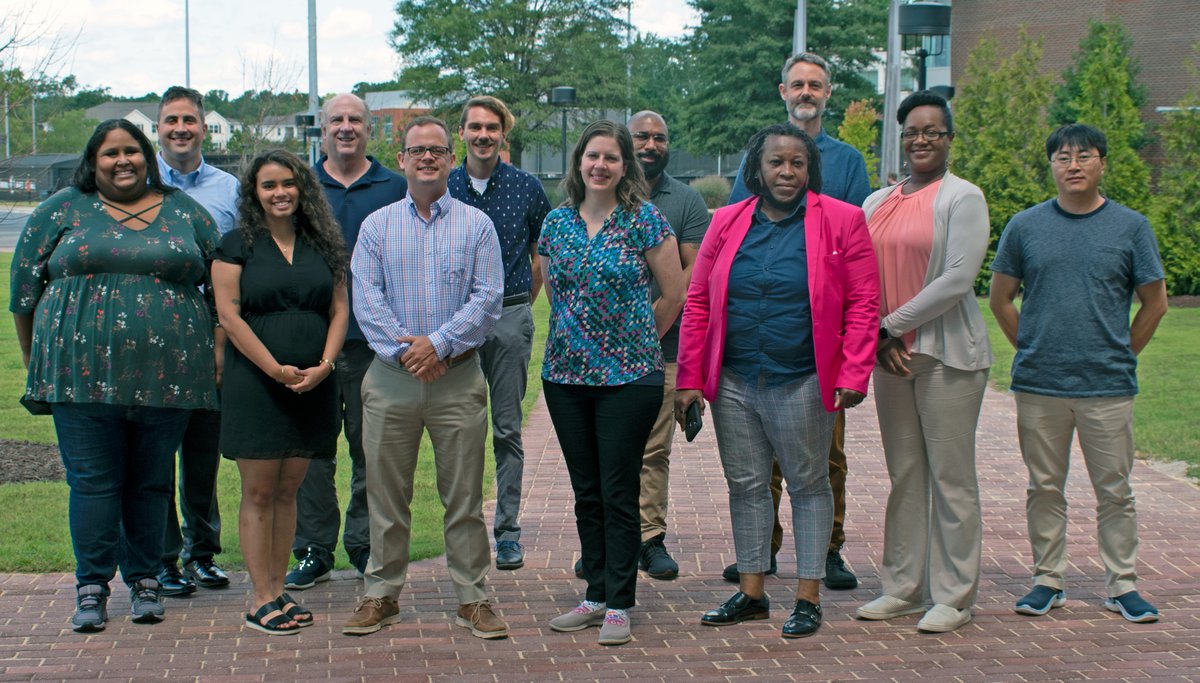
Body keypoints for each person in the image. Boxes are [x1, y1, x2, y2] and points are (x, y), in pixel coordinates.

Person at [10, 119, 219, 632]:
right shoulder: (61, 210)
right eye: (110, 153)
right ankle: (92, 589)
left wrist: (215, 352)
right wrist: (38, 359)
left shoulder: (185, 213)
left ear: (148, 157)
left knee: (151, 484)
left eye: (132, 151)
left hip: (169, 380)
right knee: (94, 485)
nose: (122, 161)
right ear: (93, 160)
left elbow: (223, 291)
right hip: (80, 380)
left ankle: (146, 580)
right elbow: (23, 292)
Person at [677, 123, 879, 639]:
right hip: (737, 379)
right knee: (746, 486)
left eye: (797, 163)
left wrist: (855, 371)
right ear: (756, 170)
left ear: (810, 168)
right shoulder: (725, 222)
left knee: (809, 485)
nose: (786, 172)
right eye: (776, 163)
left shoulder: (843, 220)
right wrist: (689, 378)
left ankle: (808, 597)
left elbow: (863, 303)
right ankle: (751, 592)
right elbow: (698, 300)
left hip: (804, 378)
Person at [990, 123, 1168, 624]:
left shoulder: (1131, 227)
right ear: (1051, 166)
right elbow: (1001, 297)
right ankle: (1048, 579)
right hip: (1040, 384)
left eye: (1084, 156)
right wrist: (1028, 345)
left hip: (1107, 385)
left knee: (1115, 489)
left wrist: (1122, 352)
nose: (1073, 165)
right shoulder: (1025, 226)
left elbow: (1155, 304)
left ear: (1101, 164)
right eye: (1063, 157)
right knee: (1044, 486)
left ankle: (1123, 585)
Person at [343, 116, 508, 640]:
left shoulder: (477, 226)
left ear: (451, 159)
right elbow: (366, 300)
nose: (428, 159)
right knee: (385, 493)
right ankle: (381, 594)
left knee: (462, 495)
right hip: (390, 378)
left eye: (437, 150)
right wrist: (411, 352)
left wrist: (437, 345)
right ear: (403, 160)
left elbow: (489, 297)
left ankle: (473, 597)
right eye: (418, 151)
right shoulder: (376, 227)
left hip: (457, 377)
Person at [725, 52, 871, 588]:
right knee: (757, 460)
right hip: (760, 330)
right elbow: (741, 228)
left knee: (825, 456)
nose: (806, 93)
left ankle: (828, 550)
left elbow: (853, 236)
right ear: (782, 90)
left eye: (816, 85)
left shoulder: (848, 160)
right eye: (797, 85)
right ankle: (759, 551)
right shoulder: (759, 153)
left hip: (818, 338)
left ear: (828, 93)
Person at [540, 120, 684, 646]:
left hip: (630, 377)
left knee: (619, 488)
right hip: (565, 376)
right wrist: (582, 337)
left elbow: (673, 294)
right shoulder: (556, 224)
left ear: (626, 166)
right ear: (579, 162)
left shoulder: (644, 220)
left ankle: (621, 603)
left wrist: (634, 340)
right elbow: (556, 294)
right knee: (587, 491)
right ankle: (595, 594)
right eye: (592, 156)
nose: (600, 165)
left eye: (611, 158)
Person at [853, 91, 992, 634]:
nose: (921, 139)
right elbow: (859, 280)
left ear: (949, 139)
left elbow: (956, 280)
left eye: (933, 130)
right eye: (912, 129)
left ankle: (955, 596)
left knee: (951, 478)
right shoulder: (875, 202)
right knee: (905, 475)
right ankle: (905, 588)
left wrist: (889, 326)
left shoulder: (964, 198)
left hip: (946, 357)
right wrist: (878, 336)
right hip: (890, 360)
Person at [211, 149, 348, 635]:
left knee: (289, 490)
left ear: (303, 188)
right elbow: (228, 315)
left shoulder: (324, 245)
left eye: (288, 183)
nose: (280, 192)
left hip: (313, 384)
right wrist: (274, 369)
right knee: (260, 490)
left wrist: (325, 366)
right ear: (254, 194)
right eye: (268, 185)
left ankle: (278, 590)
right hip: (258, 383)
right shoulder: (236, 245)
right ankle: (259, 597)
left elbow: (338, 310)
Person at [287, 94, 408, 589]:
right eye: (336, 119)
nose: (346, 127)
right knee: (313, 450)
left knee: (369, 449)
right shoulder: (298, 186)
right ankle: (314, 548)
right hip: (309, 342)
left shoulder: (395, 187)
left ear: (367, 129)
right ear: (322, 128)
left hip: (371, 342)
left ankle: (363, 545)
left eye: (355, 119)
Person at [448, 95, 552, 571]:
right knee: (459, 428)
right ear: (462, 133)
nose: (483, 135)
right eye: (475, 127)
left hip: (509, 315)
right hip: (453, 323)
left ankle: (507, 531)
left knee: (507, 428)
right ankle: (463, 528)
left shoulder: (527, 188)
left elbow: (541, 254)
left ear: (503, 134)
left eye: (492, 127)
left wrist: (520, 307)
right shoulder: (444, 187)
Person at [155, 85, 239, 596]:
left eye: (189, 120)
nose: (181, 129)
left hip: (213, 332)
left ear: (204, 128)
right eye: (171, 121)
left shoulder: (229, 189)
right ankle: (163, 557)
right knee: (155, 453)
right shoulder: (137, 185)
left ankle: (202, 552)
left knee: (203, 452)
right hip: (154, 333)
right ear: (158, 129)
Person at [627, 110, 710, 579]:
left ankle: (650, 538)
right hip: (602, 355)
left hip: (665, 347)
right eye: (642, 136)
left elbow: (690, 281)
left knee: (654, 449)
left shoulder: (686, 202)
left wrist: (646, 336)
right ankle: (608, 536)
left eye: (660, 138)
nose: (651, 145)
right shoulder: (604, 192)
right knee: (609, 449)